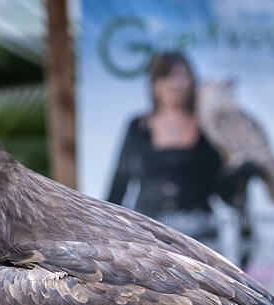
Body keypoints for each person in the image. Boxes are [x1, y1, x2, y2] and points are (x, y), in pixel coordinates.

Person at [106, 51, 253, 251]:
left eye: (182, 76)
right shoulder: (137, 127)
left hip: (200, 236)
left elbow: (224, 190)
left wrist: (241, 170)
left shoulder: (209, 128)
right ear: (154, 84)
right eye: (166, 76)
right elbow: (119, 184)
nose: (175, 83)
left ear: (192, 81)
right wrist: (104, 229)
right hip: (148, 233)